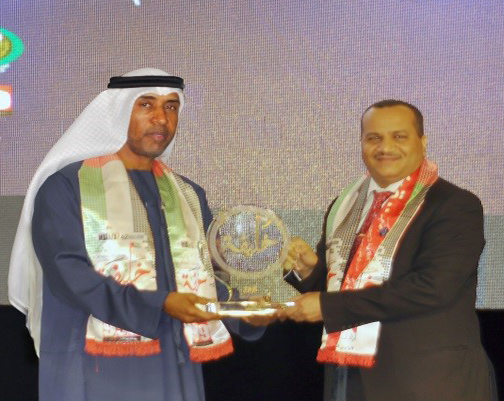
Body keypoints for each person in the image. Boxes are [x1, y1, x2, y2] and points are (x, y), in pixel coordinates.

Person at [8, 68, 262, 401]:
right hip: (91, 363)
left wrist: (245, 312)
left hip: (173, 359)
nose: (161, 118)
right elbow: (70, 275)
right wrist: (162, 304)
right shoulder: (67, 187)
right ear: (118, 112)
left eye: (171, 107)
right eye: (146, 104)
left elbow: (208, 277)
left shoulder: (188, 194)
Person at [281, 100, 494, 401]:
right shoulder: (346, 205)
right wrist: (310, 271)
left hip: (428, 384)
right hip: (347, 380)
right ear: (362, 144)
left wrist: (328, 307)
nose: (385, 147)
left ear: (423, 143)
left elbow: (431, 289)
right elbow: (342, 288)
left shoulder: (453, 205)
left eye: (399, 136)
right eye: (374, 138)